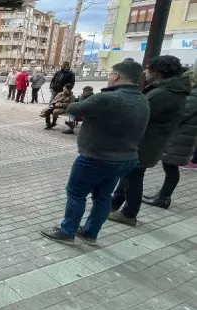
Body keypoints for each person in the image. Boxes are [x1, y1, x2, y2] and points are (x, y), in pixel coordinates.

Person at [40, 61, 149, 246]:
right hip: (124, 158)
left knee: (76, 193)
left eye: (110, 75)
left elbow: (73, 109)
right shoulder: (142, 99)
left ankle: (67, 231)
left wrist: (84, 99)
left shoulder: (107, 98)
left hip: (96, 157)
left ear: (116, 76)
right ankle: (90, 233)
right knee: (103, 196)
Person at [110, 55, 191, 226]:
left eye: (148, 68)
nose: (145, 71)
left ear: (158, 71)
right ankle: (114, 204)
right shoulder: (169, 90)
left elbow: (138, 115)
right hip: (149, 141)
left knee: (133, 176)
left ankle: (129, 213)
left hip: (145, 142)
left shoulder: (163, 93)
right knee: (129, 174)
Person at [142, 70, 197, 209]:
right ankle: (162, 195)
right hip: (182, 136)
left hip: (181, 137)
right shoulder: (192, 94)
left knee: (171, 168)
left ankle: (164, 198)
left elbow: (181, 115)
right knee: (170, 167)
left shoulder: (194, 96)